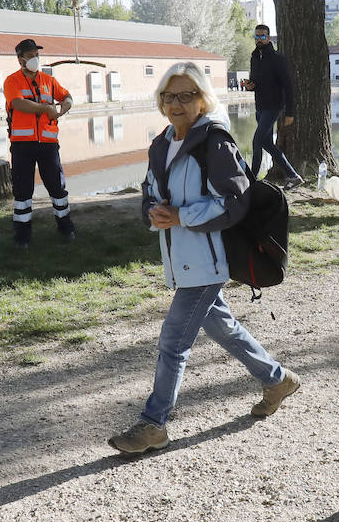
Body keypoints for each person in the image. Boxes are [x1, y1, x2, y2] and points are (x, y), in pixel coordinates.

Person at [110, 63, 300, 455]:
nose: (175, 104)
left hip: (209, 260)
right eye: (169, 96)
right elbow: (148, 189)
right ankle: (276, 379)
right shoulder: (162, 141)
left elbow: (235, 201)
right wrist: (152, 211)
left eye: (185, 96)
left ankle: (153, 424)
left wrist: (181, 216)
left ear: (202, 100)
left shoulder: (215, 141)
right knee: (224, 328)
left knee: (172, 341)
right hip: (180, 257)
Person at [4, 39, 76, 249]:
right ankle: (22, 237)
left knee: (57, 188)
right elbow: (18, 103)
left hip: (48, 144)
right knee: (23, 192)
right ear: (20, 59)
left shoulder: (48, 80)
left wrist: (64, 107)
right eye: (30, 55)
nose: (35, 58)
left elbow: (67, 96)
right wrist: (45, 109)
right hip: (22, 145)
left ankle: (66, 228)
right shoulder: (12, 81)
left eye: (37, 54)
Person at [247, 24, 304, 189]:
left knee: (257, 141)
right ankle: (293, 176)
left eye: (262, 36)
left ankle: (251, 181)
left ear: (269, 38)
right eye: (256, 36)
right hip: (260, 108)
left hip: (274, 107)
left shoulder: (278, 59)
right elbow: (255, 82)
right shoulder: (254, 57)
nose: (259, 39)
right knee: (267, 144)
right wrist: (250, 86)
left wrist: (290, 112)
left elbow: (288, 86)